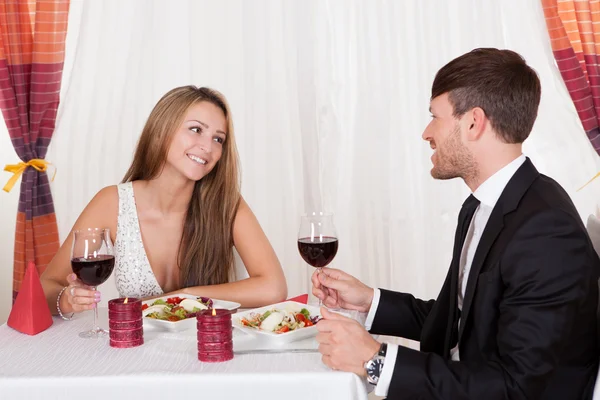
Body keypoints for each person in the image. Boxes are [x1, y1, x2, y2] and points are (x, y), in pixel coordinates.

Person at [312, 48, 600, 399]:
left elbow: (518, 389)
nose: (425, 132)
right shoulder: (483, 206)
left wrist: (376, 360)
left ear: (473, 123)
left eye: (435, 116)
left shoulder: (546, 231)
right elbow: (460, 322)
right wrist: (367, 301)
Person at [41, 85, 287, 317]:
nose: (207, 147)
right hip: (135, 351)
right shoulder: (113, 203)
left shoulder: (227, 204)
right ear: (162, 130)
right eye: (196, 129)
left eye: (218, 139)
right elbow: (46, 286)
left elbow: (273, 287)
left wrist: (186, 296)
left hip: (209, 350)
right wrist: (66, 298)